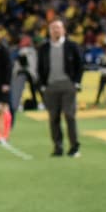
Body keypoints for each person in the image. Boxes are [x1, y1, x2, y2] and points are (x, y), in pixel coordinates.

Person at [36, 18, 84, 157]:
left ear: (63, 30)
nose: (55, 30)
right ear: (49, 31)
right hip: (51, 87)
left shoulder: (72, 46)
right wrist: (43, 85)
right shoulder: (44, 48)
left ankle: (74, 147)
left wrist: (76, 82)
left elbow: (80, 66)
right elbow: (40, 68)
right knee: (53, 118)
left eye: (58, 27)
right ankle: (58, 147)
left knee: (70, 115)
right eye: (53, 28)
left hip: (68, 85)